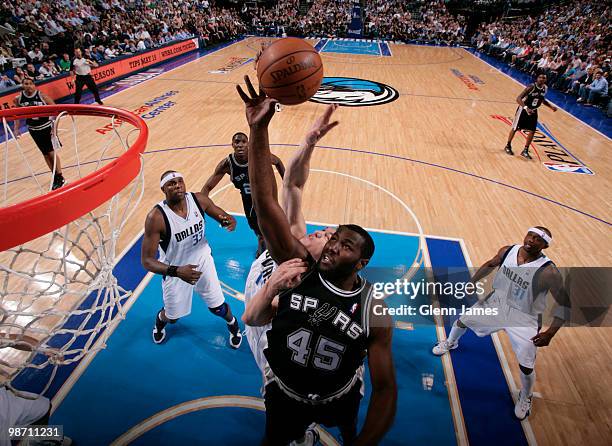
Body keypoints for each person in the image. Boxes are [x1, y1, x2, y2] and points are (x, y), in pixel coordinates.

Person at [237, 76, 396, 446]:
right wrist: (302, 142)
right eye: (329, 235)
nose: (325, 237)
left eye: (332, 239)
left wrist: (271, 293)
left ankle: (305, 428)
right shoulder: (293, 242)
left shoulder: (298, 262)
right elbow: (289, 185)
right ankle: (297, 428)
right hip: (271, 327)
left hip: (298, 348)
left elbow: (273, 198)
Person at [432, 227, 571, 420]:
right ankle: (451, 342)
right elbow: (490, 263)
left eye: (538, 239)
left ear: (545, 246)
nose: (531, 240)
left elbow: (565, 304)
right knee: (462, 321)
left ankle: (526, 395)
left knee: (526, 366)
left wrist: (550, 333)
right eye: (530, 235)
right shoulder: (508, 251)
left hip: (524, 318)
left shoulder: (549, 272)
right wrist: (473, 281)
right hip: (496, 303)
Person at [141, 171, 242, 348]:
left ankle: (233, 325)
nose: (178, 185)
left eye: (180, 181)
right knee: (173, 317)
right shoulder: (156, 217)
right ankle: (160, 322)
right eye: (171, 183)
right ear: (163, 189)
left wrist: (230, 221)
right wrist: (176, 271)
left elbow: (223, 215)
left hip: (202, 260)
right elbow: (147, 261)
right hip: (175, 268)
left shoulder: (198, 200)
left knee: (218, 307)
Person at [201, 132, 285, 257]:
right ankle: (264, 249)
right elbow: (207, 188)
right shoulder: (227, 164)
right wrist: (205, 211)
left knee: (273, 229)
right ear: (232, 145)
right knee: (259, 233)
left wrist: (287, 182)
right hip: (248, 202)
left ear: (249, 144)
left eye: (243, 142)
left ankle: (269, 252)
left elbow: (277, 161)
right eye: (237, 142)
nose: (240, 145)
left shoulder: (259, 155)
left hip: (266, 198)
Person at [13, 78, 65, 190]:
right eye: (26, 84)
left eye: (31, 84)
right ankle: (54, 176)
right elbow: (16, 114)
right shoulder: (18, 99)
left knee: (51, 153)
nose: (28, 86)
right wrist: (16, 128)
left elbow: (56, 110)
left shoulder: (42, 96)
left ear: (34, 85)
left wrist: (54, 127)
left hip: (46, 127)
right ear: (22, 85)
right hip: (33, 129)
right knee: (45, 154)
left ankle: (60, 177)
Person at [504, 73, 557, 159]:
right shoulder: (531, 87)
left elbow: (542, 99)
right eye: (540, 77)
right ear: (537, 78)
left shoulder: (545, 88)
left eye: (543, 78)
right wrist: (526, 108)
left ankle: (525, 150)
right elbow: (518, 98)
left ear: (545, 80)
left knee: (532, 130)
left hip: (534, 110)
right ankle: (508, 145)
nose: (541, 79)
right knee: (515, 128)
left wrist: (551, 107)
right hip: (523, 110)